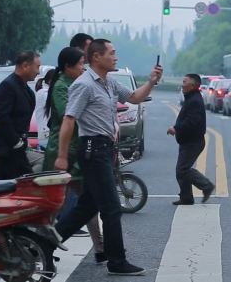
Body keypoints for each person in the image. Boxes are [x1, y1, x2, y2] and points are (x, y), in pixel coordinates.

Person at [54, 39, 162, 275]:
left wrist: (152, 82)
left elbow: (134, 98)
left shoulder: (109, 83)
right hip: (93, 149)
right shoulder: (84, 85)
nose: (116, 57)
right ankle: (117, 261)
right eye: (112, 53)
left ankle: (43, 243)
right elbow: (69, 119)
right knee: (111, 208)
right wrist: (62, 157)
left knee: (85, 208)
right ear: (96, 57)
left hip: (104, 149)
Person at [42, 47, 105, 262]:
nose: (84, 68)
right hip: (64, 152)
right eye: (80, 64)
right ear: (68, 66)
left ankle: (99, 248)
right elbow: (69, 115)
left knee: (88, 200)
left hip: (78, 150)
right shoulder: (61, 86)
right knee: (56, 204)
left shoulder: (76, 83)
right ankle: (43, 245)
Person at [167, 73, 215, 205]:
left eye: (185, 82)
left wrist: (176, 128)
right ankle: (186, 197)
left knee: (182, 170)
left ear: (193, 85)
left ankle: (206, 186)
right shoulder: (192, 98)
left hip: (193, 142)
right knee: (181, 170)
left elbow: (192, 121)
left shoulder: (194, 100)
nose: (182, 84)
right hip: (189, 141)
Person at [0, 51, 40, 180]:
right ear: (25, 66)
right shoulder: (8, 86)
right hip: (7, 151)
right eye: (37, 67)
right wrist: (16, 142)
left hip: (18, 149)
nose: (38, 72)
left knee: (25, 184)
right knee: (16, 188)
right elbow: (2, 117)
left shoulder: (27, 91)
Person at [34, 68, 55, 148]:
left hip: (46, 134)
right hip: (46, 134)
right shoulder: (44, 93)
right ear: (50, 81)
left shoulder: (45, 92)